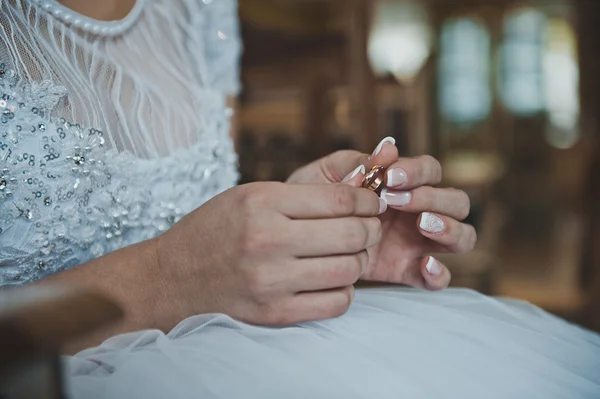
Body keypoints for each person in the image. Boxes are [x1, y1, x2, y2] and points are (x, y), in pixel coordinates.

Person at [1, 0, 598, 398]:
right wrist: (168, 277)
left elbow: (192, 206)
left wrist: (304, 236)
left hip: (236, 340)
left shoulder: (201, 9)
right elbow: (180, 259)